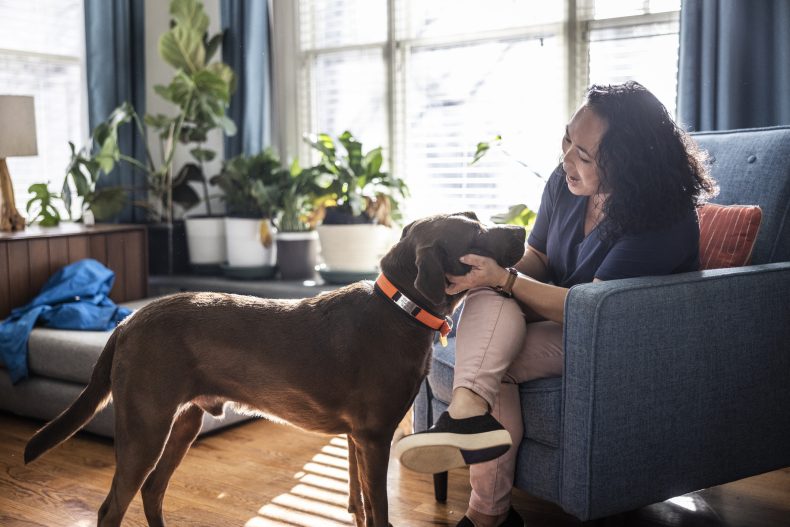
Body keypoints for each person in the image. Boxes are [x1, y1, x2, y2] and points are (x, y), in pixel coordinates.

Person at [395, 81, 717, 527]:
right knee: (488, 295)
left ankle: (486, 505)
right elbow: (541, 259)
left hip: (623, 337)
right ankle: (469, 418)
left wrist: (506, 278)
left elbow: (593, 310)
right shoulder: (565, 183)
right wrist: (489, 270)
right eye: (568, 139)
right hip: (566, 318)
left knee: (496, 351)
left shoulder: (661, 217)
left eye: (584, 155)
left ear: (629, 164)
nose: (567, 158)